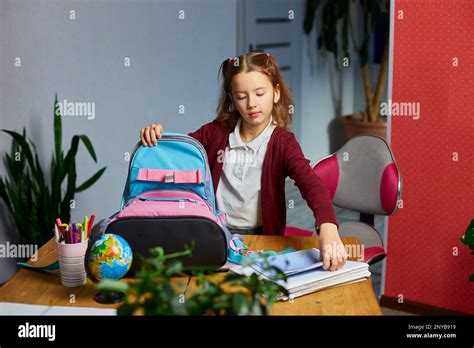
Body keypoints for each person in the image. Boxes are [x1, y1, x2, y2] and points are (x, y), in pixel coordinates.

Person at [140, 52, 347, 271]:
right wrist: (159, 136)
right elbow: (181, 151)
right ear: (231, 99)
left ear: (276, 93)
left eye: (260, 93)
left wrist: (328, 227)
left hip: (260, 237)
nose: (251, 104)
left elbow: (311, 184)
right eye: (241, 96)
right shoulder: (215, 132)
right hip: (215, 231)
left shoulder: (283, 143)